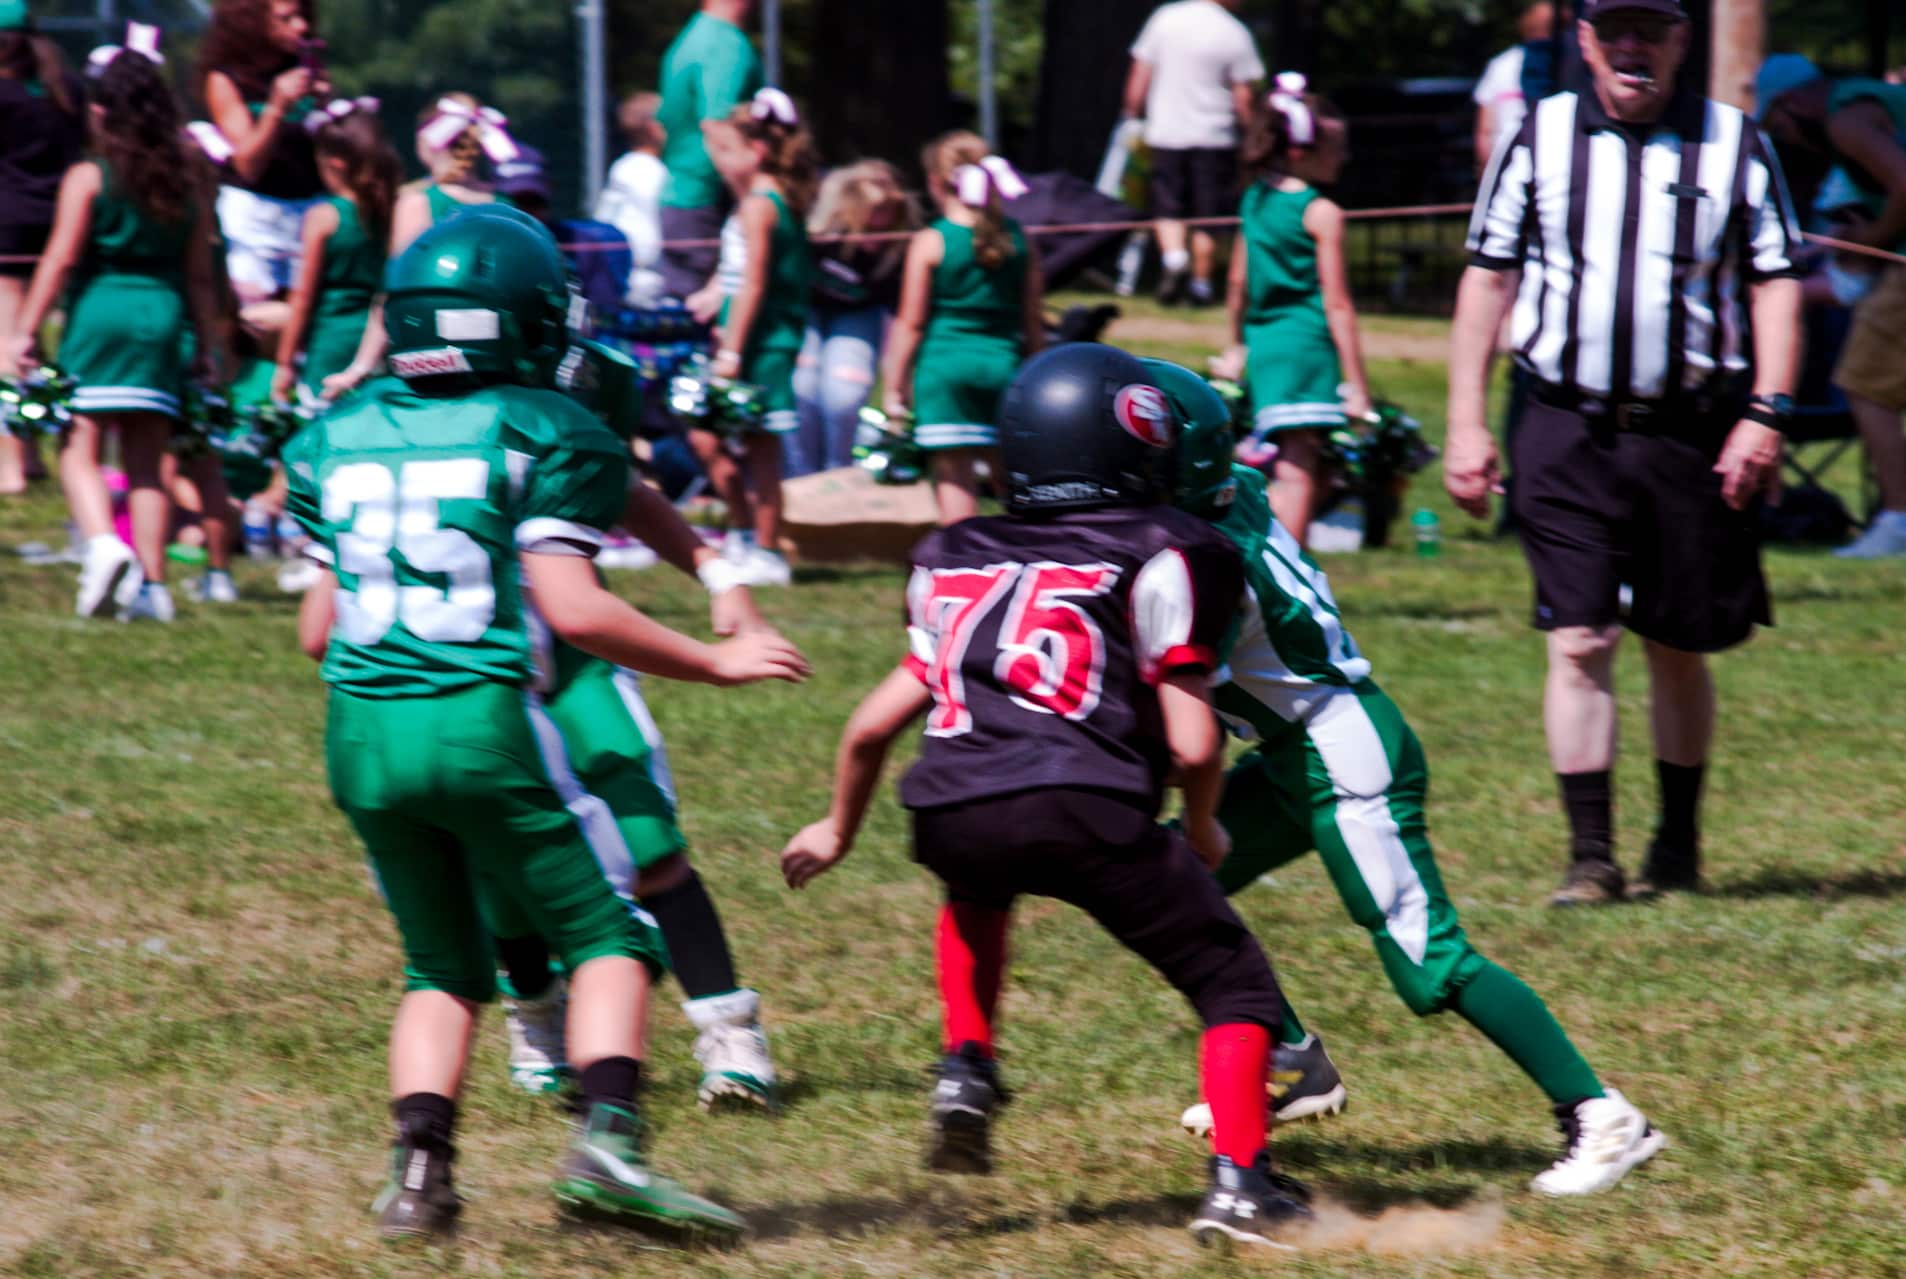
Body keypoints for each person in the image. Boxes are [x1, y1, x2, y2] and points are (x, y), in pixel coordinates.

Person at [284, 210, 806, 1241]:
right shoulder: (538, 424)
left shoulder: (337, 433)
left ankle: (418, 1176)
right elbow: (574, 609)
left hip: (359, 733)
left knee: (439, 970)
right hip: (480, 721)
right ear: (519, 321)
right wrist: (715, 660)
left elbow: (314, 631)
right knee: (610, 937)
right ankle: (610, 1145)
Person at [780, 342, 1313, 1251]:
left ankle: (966, 1062)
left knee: (977, 885)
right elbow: (1194, 740)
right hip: (1084, 803)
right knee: (1235, 987)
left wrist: (837, 826)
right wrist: (1204, 825)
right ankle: (1242, 1184)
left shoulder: (956, 551)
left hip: (947, 805)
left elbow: (871, 725)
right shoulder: (1170, 549)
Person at [1148, 360, 1667, 1197]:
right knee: (1174, 883)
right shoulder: (1233, 492)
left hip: (1339, 752)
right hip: (1302, 744)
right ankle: (1289, 1058)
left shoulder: (1204, 563)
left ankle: (1601, 1112)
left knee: (1430, 959)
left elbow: (1178, 711)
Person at [1446, 0, 1803, 905]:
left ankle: (1676, 844)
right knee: (1579, 637)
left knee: (1677, 643)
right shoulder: (1538, 137)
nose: (1632, 48)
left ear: (1682, 41)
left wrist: (1767, 411)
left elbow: (1775, 281)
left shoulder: (1734, 143)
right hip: (1565, 424)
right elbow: (1488, 276)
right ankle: (1591, 855)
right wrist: (1466, 422)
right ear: (1587, 42)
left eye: (1650, 29)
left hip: (1691, 430)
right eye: (1615, 31)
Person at [464, 316, 794, 1110]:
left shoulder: (568, 386)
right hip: (473, 668)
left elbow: (622, 486)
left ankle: (728, 1027)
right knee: (500, 855)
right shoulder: (412, 418)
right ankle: (535, 1005)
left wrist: (716, 572)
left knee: (648, 837)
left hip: (572, 660)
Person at [0, 41, 229, 622]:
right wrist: (205, 346)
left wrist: (25, 330)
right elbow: (201, 276)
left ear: (100, 111)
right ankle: (153, 587)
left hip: (101, 313)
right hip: (163, 317)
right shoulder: (187, 179)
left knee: (78, 444)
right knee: (147, 461)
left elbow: (59, 260)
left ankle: (103, 545)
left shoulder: (90, 175)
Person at [1755, 55, 1906, 559]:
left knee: (1864, 383)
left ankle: (1898, 519)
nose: (1786, 140)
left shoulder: (1846, 120)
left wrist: (1871, 238)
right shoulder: (1875, 102)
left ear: (1794, 102)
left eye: (1778, 127)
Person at [1212, 74, 1371, 549]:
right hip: (1307, 346)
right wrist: (1357, 384)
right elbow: (1338, 302)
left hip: (1265, 345)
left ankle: (1265, 553)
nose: (1344, 157)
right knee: (1297, 469)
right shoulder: (1321, 211)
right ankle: (1282, 569)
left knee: (1294, 463)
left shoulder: (1254, 200)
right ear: (1301, 151)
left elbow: (1237, 282)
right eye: (1336, 148)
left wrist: (1235, 343)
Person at [685, 90, 815, 587]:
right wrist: (711, 297)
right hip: (741, 340)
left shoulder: (763, 205)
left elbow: (755, 283)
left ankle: (767, 550)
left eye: (726, 151)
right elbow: (736, 274)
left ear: (756, 151)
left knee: (761, 451)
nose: (717, 162)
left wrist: (732, 351)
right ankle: (741, 531)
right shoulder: (754, 203)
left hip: (761, 346)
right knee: (705, 438)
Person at [882, 133, 1045, 524]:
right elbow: (1032, 322)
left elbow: (911, 322)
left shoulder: (931, 241)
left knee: (955, 478)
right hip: (1004, 368)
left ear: (936, 182)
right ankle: (1030, 549)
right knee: (1015, 479)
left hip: (944, 371)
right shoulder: (1020, 241)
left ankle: (963, 554)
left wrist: (894, 384)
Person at [1122, 0, 1265, 306]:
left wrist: (1132, 115)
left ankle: (1175, 260)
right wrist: (1253, 136)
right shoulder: (1234, 31)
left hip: (1166, 131)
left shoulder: (1164, 18)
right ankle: (1201, 285)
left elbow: (1140, 73)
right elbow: (1243, 97)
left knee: (1167, 206)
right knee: (1209, 215)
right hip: (1216, 135)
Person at [0, 0, 85, 494]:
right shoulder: (67, 88)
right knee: (35, 342)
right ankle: (34, 454)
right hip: (60, 225)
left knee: (8, 346)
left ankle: (13, 463)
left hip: (8, 228)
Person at [786, 160, 915, 478]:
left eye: (886, 225)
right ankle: (800, 477)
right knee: (802, 386)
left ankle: (839, 475)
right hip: (806, 310)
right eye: (869, 227)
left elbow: (902, 321)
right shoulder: (814, 236)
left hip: (859, 314)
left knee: (843, 396)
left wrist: (896, 387)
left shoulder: (897, 252)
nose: (877, 236)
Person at [198, 0, 327, 317]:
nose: (301, 27)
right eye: (286, 19)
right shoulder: (225, 79)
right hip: (255, 221)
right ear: (252, 23)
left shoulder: (302, 70)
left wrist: (326, 110)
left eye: (302, 16)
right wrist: (277, 107)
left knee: (303, 317)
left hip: (306, 214)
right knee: (255, 320)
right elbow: (247, 165)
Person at [271, 98, 397, 406]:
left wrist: (284, 363)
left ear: (335, 163)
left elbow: (302, 299)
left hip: (331, 346)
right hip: (381, 346)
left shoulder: (324, 217)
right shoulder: (397, 211)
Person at [656, 0, 763, 300]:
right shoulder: (723, 43)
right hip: (708, 204)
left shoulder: (693, 36)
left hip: (683, 200)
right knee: (711, 314)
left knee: (688, 312)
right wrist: (754, 198)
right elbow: (717, 124)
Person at [496, 145, 636, 318]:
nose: (525, 213)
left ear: (550, 191)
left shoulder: (581, 245)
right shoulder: (481, 249)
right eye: (514, 203)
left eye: (534, 201)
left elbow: (604, 316)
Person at [594, 91, 669, 307]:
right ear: (654, 128)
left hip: (619, 276)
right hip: (646, 282)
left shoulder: (621, 166)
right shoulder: (652, 172)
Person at [1472, 4, 1557, 175]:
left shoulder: (1499, 65)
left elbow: (1485, 132)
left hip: (1508, 166)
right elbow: (1484, 132)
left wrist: (1487, 176)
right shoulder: (1565, 66)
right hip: (1546, 165)